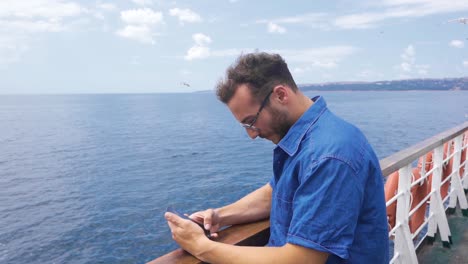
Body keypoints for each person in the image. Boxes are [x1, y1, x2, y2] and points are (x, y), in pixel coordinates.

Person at [165, 52, 389, 263]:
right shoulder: (313, 136)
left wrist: (200, 246)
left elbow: (302, 259)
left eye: (251, 121)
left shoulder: (329, 155)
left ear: (281, 95)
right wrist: (219, 216)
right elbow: (277, 192)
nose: (251, 134)